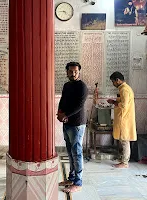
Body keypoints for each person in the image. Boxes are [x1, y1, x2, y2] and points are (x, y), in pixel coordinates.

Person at [57, 61, 88, 193]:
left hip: (77, 124)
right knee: (70, 152)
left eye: (75, 71)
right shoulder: (66, 85)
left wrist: (65, 115)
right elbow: (63, 100)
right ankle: (71, 177)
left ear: (79, 72)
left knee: (77, 152)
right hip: (67, 123)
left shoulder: (82, 86)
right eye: (70, 71)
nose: (73, 73)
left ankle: (78, 183)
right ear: (67, 72)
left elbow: (79, 105)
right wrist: (59, 112)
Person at [107, 71, 137, 168]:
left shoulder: (124, 90)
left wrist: (114, 102)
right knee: (122, 139)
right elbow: (123, 102)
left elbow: (124, 105)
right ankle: (123, 160)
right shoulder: (123, 89)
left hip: (125, 119)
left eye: (113, 82)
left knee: (124, 140)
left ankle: (125, 163)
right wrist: (115, 101)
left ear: (117, 80)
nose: (113, 84)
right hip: (123, 118)